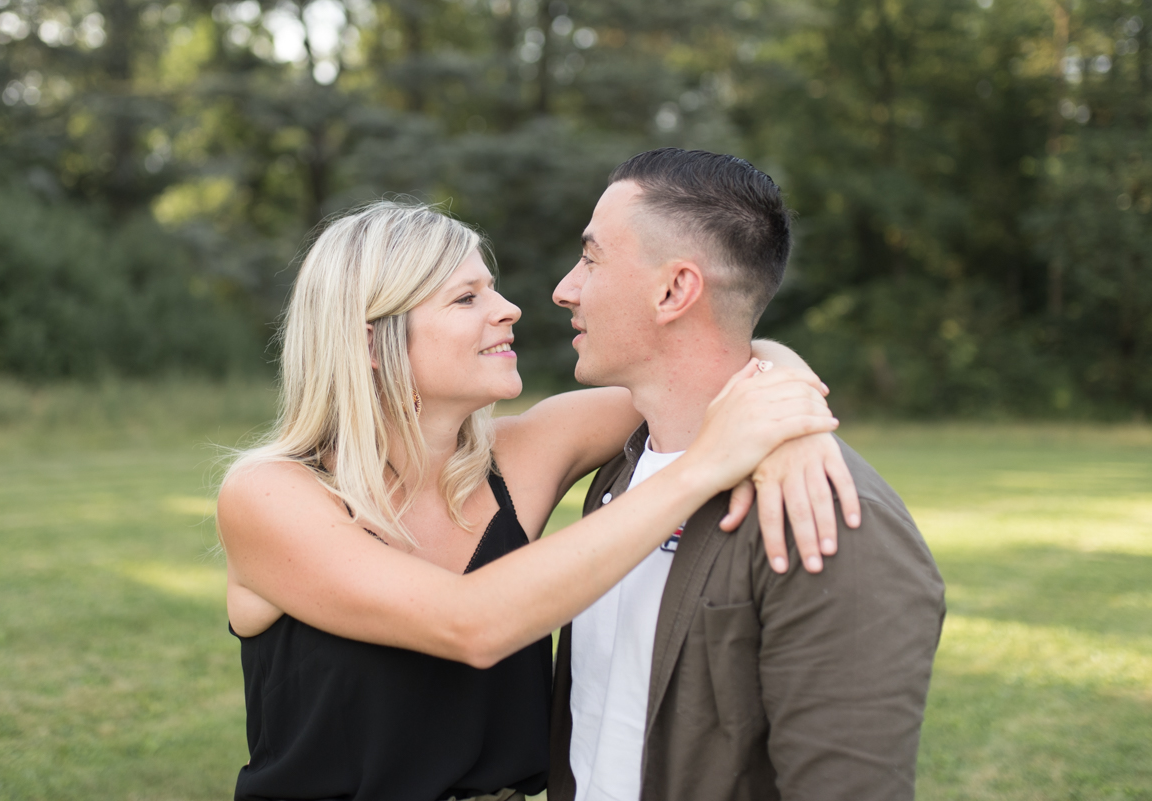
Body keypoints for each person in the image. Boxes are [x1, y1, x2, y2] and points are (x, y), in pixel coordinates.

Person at [216, 201, 855, 801]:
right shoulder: (271, 494)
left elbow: (704, 372)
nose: (511, 309)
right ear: (370, 343)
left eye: (491, 288)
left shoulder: (530, 450)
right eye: (467, 298)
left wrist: (792, 414)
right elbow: (471, 624)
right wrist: (705, 466)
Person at [547, 148, 948, 801]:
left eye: (591, 259)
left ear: (674, 289)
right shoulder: (619, 472)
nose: (565, 288)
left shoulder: (826, 513)